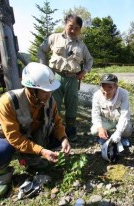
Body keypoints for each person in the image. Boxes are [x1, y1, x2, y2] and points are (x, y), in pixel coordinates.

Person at [0, 62, 71, 199]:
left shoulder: (49, 100)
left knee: (58, 138)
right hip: (9, 138)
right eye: (44, 91)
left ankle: (30, 159)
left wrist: (64, 138)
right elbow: (14, 138)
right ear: (30, 89)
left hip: (34, 137)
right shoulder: (7, 102)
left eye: (50, 91)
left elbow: (57, 122)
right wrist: (41, 151)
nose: (48, 95)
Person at [37, 14, 93, 142]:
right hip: (55, 76)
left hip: (73, 79)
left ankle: (70, 131)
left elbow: (89, 61)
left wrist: (83, 72)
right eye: (70, 26)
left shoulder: (82, 46)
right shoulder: (54, 38)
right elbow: (41, 50)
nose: (73, 30)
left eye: (77, 28)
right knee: (53, 105)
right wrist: (43, 67)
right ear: (65, 25)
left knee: (72, 105)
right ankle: (54, 132)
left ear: (80, 29)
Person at [90, 74, 132, 148]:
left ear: (116, 87)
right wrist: (100, 128)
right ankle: (105, 135)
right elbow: (95, 114)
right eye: (103, 87)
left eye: (110, 87)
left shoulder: (123, 94)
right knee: (94, 130)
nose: (106, 91)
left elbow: (125, 115)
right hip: (106, 120)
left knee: (127, 130)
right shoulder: (97, 95)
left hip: (119, 120)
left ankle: (121, 137)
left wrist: (118, 132)